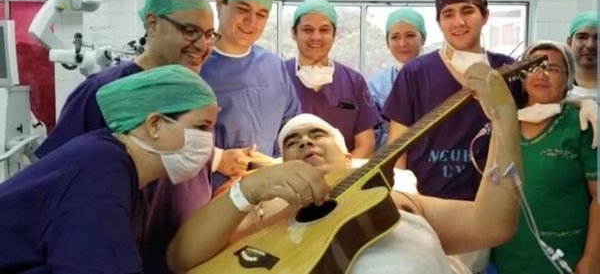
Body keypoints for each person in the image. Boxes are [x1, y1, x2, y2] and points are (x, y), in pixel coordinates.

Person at [166, 61, 524, 274]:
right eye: (292, 141)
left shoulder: (394, 198)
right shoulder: (259, 203)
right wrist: (251, 189)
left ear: (349, 156)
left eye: (317, 134)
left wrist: (505, 120)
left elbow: (491, 225)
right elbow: (181, 259)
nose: (305, 142)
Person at [28, 0, 259, 273]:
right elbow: (55, 184)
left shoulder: (194, 94)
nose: (202, 45)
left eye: (210, 34)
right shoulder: (103, 93)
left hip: (185, 256)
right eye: (190, 31)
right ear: (152, 24)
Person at [0, 65, 218, 273]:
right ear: (154, 124)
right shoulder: (102, 170)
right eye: (201, 127)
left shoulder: (125, 174)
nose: (208, 141)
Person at [382, 0, 517, 201]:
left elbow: (533, 119)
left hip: (491, 202)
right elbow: (398, 148)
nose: (459, 22)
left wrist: (578, 101)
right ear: (438, 22)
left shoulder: (505, 69)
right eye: (448, 14)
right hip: (428, 202)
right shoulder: (416, 72)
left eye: (468, 11)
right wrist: (405, 201)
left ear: (485, 16)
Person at [491, 41, 599, 274]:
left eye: (553, 68)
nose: (541, 73)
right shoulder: (504, 123)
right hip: (506, 255)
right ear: (521, 76)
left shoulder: (582, 124)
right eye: (533, 66)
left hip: (564, 257)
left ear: (568, 78)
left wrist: (592, 258)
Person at [199, 0, 301, 188]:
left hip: (268, 188)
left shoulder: (274, 66)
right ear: (219, 4)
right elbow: (173, 138)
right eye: (242, 9)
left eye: (261, 14)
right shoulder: (196, 66)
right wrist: (217, 159)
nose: (251, 21)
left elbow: (291, 126)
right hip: (209, 190)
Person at [284, 0, 381, 158]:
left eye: (324, 30)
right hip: (288, 177)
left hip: (343, 177)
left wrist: (339, 177)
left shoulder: (354, 81)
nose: (316, 37)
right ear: (294, 33)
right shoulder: (277, 77)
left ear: (334, 34)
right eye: (307, 30)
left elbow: (366, 145)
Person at [368, 7, 427, 150]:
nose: (402, 43)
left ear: (423, 38)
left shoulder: (438, 75)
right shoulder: (376, 85)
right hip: (390, 160)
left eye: (410, 35)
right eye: (395, 37)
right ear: (388, 42)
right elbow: (373, 135)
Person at [566, 11, 597, 100]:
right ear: (569, 42)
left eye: (598, 38)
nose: (590, 45)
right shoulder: (556, 89)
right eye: (582, 37)